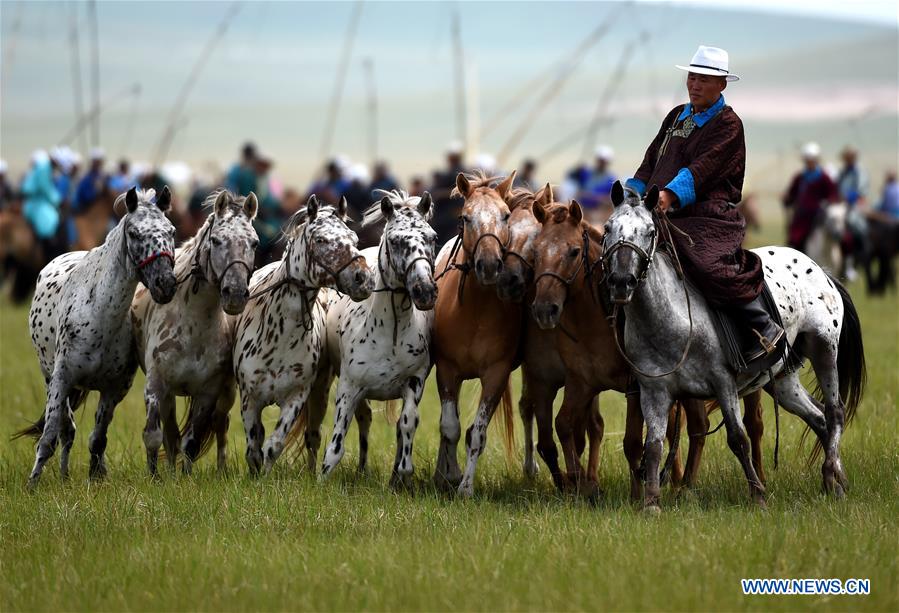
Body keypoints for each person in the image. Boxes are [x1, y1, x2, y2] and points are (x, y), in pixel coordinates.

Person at [624, 45, 782, 368]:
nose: (694, 84)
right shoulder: (676, 116)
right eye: (691, 77)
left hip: (709, 217)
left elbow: (701, 169)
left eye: (703, 79)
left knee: (708, 264)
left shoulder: (728, 124)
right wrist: (632, 194)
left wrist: (669, 195)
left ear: (721, 85)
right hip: (663, 212)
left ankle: (761, 327)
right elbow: (651, 159)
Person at [783, 142, 839, 253]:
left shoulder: (824, 177)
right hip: (802, 216)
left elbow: (833, 194)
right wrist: (787, 199)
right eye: (807, 160)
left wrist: (828, 202)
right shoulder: (800, 177)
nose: (810, 162)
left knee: (837, 234)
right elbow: (792, 194)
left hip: (819, 215)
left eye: (812, 160)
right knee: (795, 239)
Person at [835, 146, 870, 280]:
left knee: (853, 221)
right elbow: (837, 186)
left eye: (850, 157)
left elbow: (862, 189)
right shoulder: (843, 171)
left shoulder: (859, 171)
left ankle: (854, 261)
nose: (847, 160)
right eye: (846, 157)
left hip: (855, 204)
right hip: (841, 204)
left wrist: (848, 197)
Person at [21, 150, 63, 261]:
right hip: (36, 203)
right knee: (50, 218)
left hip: (38, 201)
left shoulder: (43, 168)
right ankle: (48, 250)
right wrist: (57, 199)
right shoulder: (44, 169)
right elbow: (46, 188)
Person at [429, 141, 467, 244]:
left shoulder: (458, 171)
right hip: (448, 212)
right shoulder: (454, 170)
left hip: (451, 213)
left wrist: (440, 194)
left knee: (439, 235)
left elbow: (460, 190)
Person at [580, 145, 618, 224]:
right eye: (600, 160)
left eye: (604, 161)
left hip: (599, 214)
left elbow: (611, 201)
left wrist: (596, 198)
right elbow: (578, 191)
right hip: (583, 211)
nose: (601, 163)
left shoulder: (611, 179)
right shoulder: (585, 173)